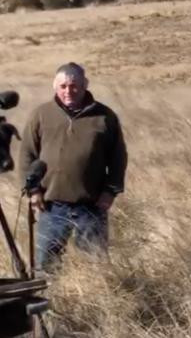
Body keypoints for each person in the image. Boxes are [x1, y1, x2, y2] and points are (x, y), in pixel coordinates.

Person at [19, 62, 128, 271]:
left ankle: (93, 302)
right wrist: (33, 191)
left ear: (85, 85)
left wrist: (110, 191)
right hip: (51, 207)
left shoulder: (105, 117)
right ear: (55, 86)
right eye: (63, 86)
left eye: (74, 85)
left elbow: (118, 158)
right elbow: (27, 154)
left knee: (94, 267)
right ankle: (51, 303)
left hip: (92, 206)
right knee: (46, 267)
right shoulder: (41, 115)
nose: (68, 91)